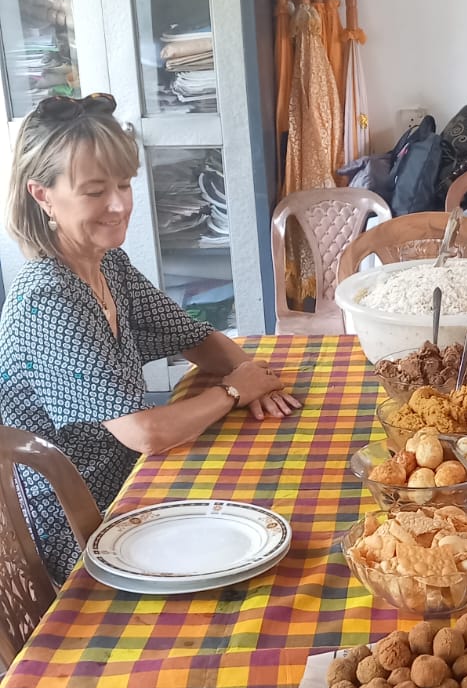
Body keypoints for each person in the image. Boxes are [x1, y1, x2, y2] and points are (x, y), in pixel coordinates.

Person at [0, 94, 299, 582]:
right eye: (95, 191)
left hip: (132, 485)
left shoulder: (107, 264)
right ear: (42, 195)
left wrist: (250, 376)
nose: (119, 204)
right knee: (269, 533)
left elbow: (197, 338)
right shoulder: (48, 299)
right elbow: (146, 433)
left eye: (123, 184)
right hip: (82, 527)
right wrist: (234, 390)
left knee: (275, 494)